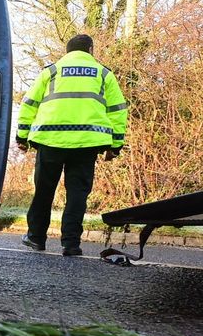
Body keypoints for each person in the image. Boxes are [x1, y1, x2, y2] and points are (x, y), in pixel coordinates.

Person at [15, 34, 127, 256]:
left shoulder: (51, 71)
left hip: (50, 141)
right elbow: (117, 110)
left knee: (44, 191)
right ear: (91, 50)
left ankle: (36, 238)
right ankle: (71, 243)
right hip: (87, 144)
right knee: (77, 194)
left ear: (67, 51)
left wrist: (22, 136)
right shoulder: (104, 74)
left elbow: (29, 104)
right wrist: (115, 145)